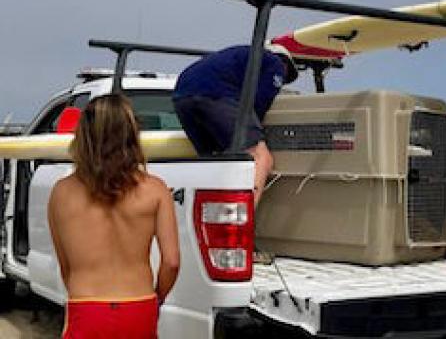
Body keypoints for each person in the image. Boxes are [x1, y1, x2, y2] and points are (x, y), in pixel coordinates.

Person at [48, 94, 180, 338]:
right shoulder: (155, 189)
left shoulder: (62, 192)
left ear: (84, 136)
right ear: (131, 135)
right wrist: (157, 298)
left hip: (86, 305)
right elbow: (171, 261)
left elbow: (65, 264)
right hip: (139, 305)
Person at [172, 43, 298, 207]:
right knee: (261, 157)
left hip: (182, 96)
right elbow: (259, 102)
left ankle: (211, 217)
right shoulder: (275, 63)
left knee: (214, 160)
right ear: (286, 63)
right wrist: (256, 130)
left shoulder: (238, 57)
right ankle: (242, 216)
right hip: (215, 95)